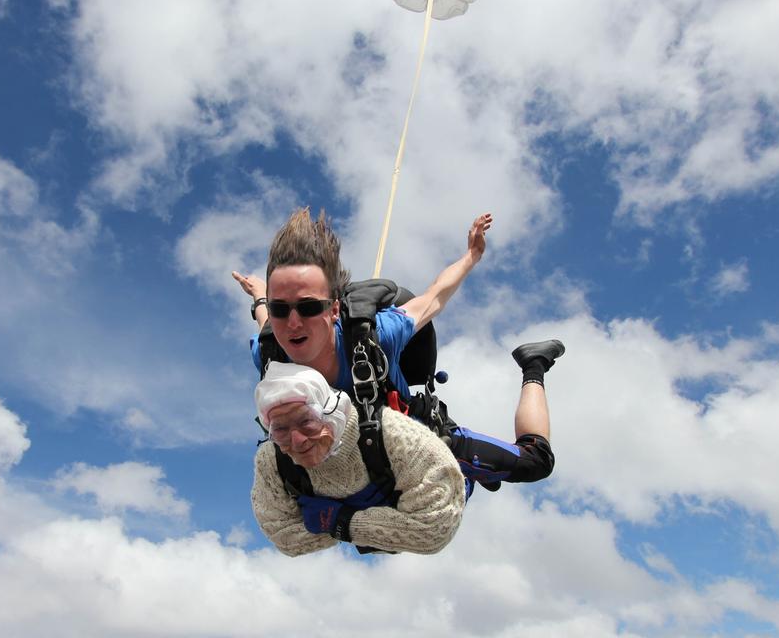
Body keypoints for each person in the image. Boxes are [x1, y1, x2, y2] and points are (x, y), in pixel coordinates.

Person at [232, 208, 561, 493]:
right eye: (280, 309)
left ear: (333, 310)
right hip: (344, 461)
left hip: (418, 440)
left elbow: (434, 297)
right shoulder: (270, 353)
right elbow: (265, 319)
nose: (292, 323)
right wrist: (259, 296)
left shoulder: (376, 336)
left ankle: (533, 365)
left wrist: (471, 256)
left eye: (307, 308)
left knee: (536, 463)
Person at [250, 361, 465, 555]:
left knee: (478, 463)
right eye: (279, 429)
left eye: (306, 421)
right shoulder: (272, 461)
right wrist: (386, 524)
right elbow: (284, 538)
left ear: (332, 413)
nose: (297, 441)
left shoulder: (394, 434)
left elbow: (435, 529)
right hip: (397, 502)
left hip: (443, 474)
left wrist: (340, 522)